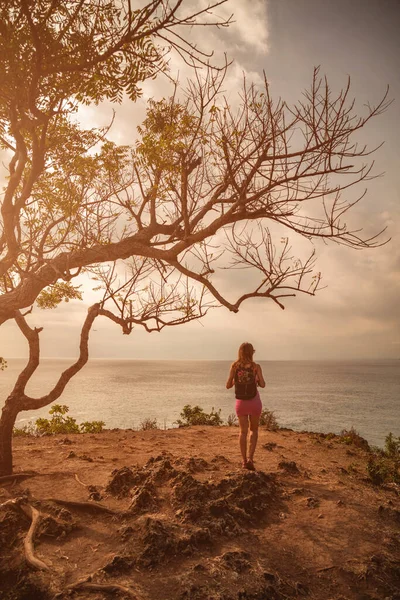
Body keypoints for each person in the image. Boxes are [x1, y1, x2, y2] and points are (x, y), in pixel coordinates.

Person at [226, 342, 265, 470]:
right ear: (252, 352)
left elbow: (228, 385)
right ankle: (250, 459)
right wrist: (257, 381)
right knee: (254, 430)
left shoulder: (234, 366)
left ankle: (243, 461)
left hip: (241, 403)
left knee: (243, 432)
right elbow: (263, 384)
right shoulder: (256, 367)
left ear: (240, 352)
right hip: (254, 402)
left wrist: (236, 381)